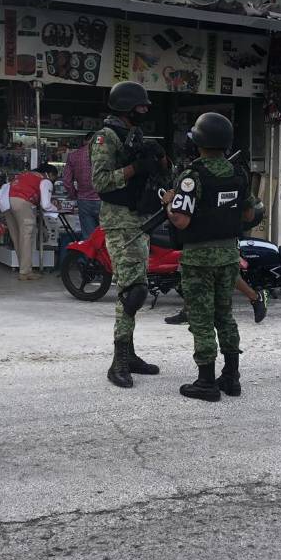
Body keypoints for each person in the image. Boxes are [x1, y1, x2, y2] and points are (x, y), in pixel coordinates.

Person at [166, 112, 256, 402]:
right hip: (229, 255)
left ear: (199, 142)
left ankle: (206, 382)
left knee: (202, 319)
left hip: (199, 260)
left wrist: (169, 204)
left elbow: (181, 221)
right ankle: (231, 377)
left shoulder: (192, 177)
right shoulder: (238, 174)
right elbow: (249, 214)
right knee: (224, 316)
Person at [91, 81, 164, 388]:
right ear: (126, 106)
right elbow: (100, 181)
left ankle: (129, 354)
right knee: (132, 291)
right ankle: (118, 361)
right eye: (140, 106)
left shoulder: (134, 134)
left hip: (138, 220)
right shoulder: (106, 137)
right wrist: (135, 168)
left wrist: (158, 160)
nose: (145, 110)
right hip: (120, 223)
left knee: (137, 288)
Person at [1, 164, 59, 281]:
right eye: (55, 177)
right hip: (23, 202)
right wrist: (56, 209)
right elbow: (46, 205)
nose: (54, 180)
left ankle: (23, 268)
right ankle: (26, 272)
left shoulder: (26, 174)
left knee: (17, 237)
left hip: (7, 202)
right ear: (50, 174)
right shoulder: (45, 180)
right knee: (27, 236)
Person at [163, 277, 268, 325]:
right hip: (196, 244)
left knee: (228, 273)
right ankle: (188, 311)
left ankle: (256, 297)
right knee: (189, 272)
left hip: (221, 243)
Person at [63, 132, 101, 239]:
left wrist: (74, 195)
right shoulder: (104, 155)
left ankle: (90, 251)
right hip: (103, 199)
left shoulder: (73, 156)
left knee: (89, 237)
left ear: (84, 141)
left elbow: (67, 181)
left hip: (84, 200)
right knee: (106, 236)